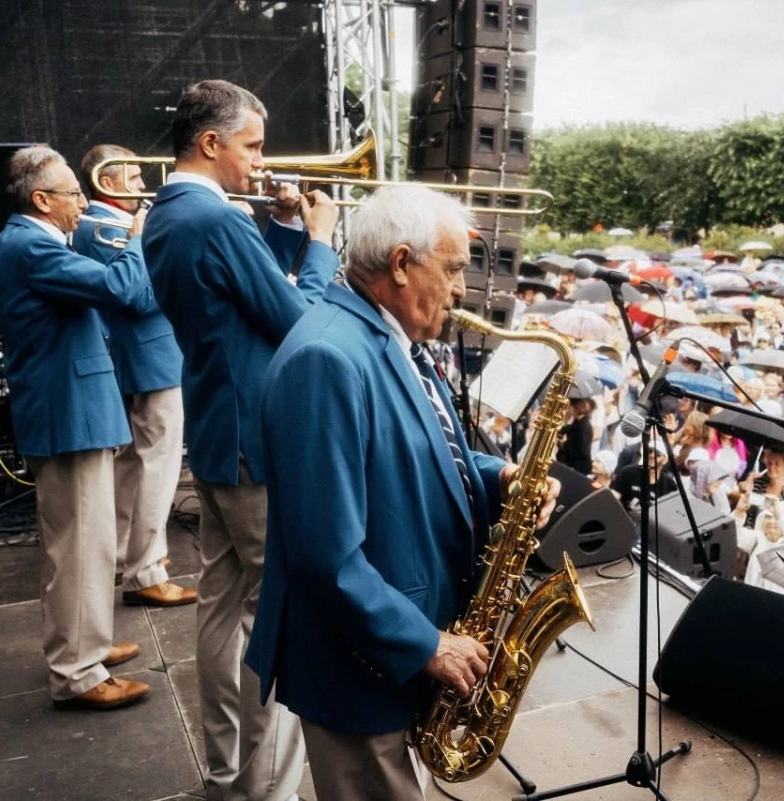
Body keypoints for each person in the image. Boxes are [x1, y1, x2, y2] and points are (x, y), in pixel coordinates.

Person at [246, 185, 557, 801]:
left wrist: (500, 477)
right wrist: (427, 644)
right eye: (453, 269)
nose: (463, 290)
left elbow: (424, 447)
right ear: (400, 262)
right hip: (360, 666)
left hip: (384, 651)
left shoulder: (385, 336)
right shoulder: (326, 358)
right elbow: (323, 556)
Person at [141, 80, 340, 801]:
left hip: (219, 435)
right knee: (273, 621)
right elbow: (298, 320)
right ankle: (269, 790)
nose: (261, 163)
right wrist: (319, 241)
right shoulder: (217, 219)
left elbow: (237, 299)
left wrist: (283, 232)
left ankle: (228, 778)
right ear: (212, 143)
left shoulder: (168, 213)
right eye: (252, 147)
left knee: (221, 614)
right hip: (255, 441)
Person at [0, 146, 157, 710]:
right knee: (80, 547)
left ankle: (88, 643)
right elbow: (121, 290)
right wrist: (138, 237)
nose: (83, 203)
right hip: (68, 414)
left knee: (89, 543)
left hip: (76, 408)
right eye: (73, 194)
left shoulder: (31, 239)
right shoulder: (31, 243)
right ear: (42, 200)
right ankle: (77, 673)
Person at [74, 144, 196, 608]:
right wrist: (146, 237)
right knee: (157, 468)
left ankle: (130, 556)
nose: (143, 186)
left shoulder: (108, 224)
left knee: (134, 467)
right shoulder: (107, 227)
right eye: (132, 177)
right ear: (107, 181)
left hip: (144, 358)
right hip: (150, 358)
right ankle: (144, 570)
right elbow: (138, 298)